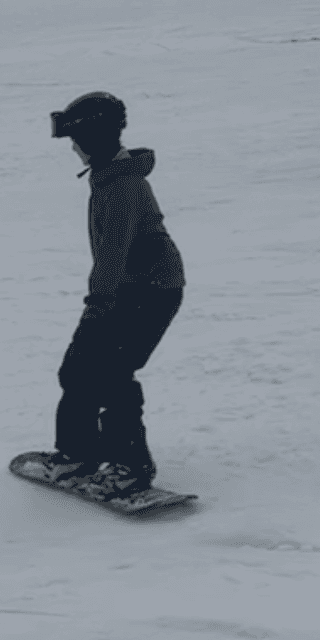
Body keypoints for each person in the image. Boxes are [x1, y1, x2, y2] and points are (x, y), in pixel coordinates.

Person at [44, 92, 184, 493]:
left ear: (93, 138)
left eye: (74, 139)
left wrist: (98, 305)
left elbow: (112, 255)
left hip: (152, 290)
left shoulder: (122, 187)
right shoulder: (108, 178)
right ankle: (78, 452)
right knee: (77, 369)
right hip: (125, 287)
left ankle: (131, 466)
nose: (71, 147)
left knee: (112, 373)